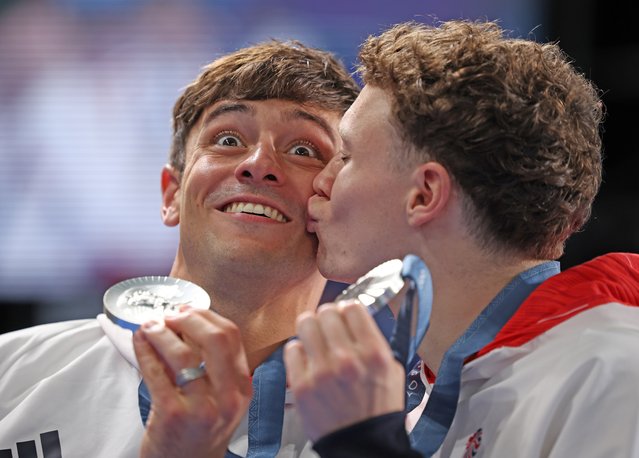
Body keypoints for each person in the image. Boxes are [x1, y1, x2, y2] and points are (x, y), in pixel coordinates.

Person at [283, 20, 639, 457]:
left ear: (425, 194)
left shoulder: (614, 371)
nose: (321, 180)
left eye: (348, 155)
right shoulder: (432, 395)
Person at [0, 40, 359, 458]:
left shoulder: (381, 432)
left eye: (303, 150)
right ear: (171, 195)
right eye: (227, 139)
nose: (259, 163)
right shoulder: (11, 375)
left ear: (340, 207)